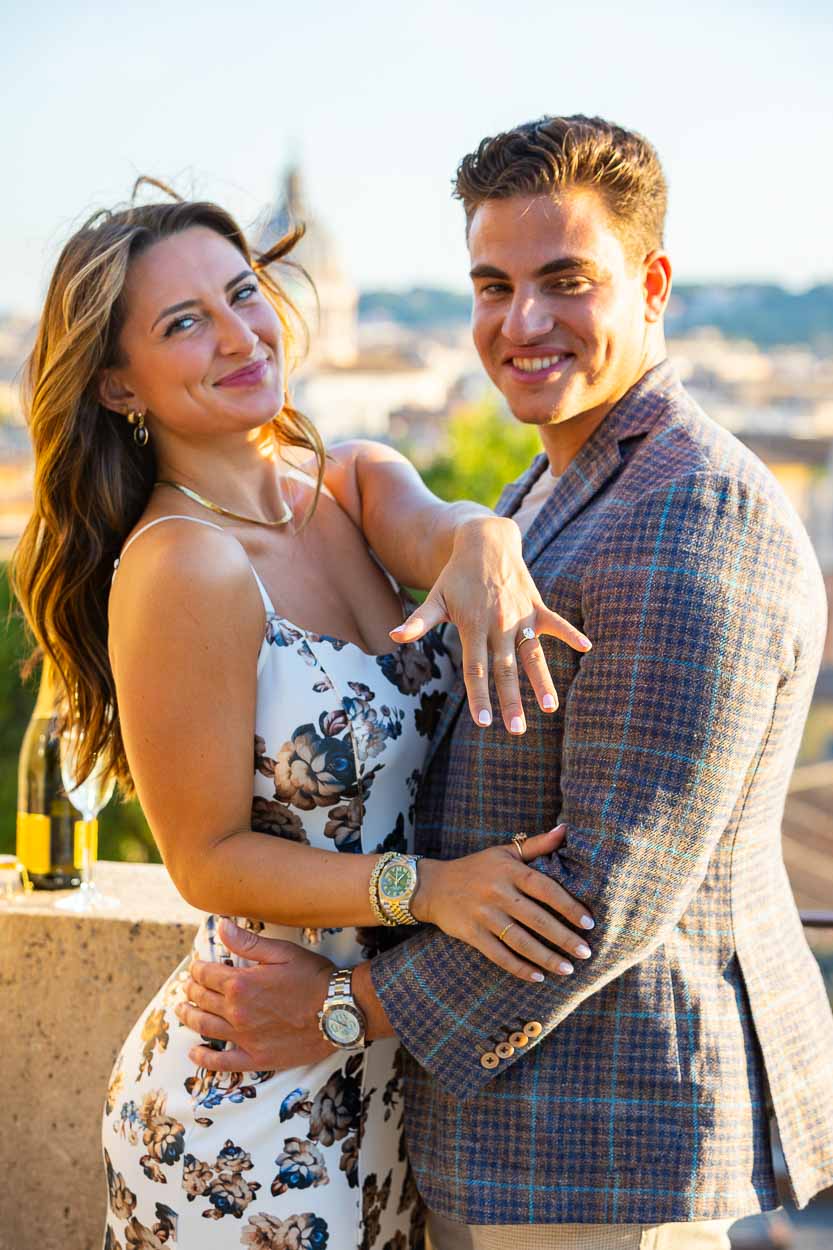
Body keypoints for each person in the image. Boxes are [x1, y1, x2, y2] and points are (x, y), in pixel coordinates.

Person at [185, 116, 833, 1249]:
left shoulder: (692, 512)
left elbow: (602, 890)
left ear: (653, 285)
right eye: (492, 284)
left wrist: (340, 1009)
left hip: (606, 1141)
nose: (520, 323)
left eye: (564, 281)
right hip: (529, 1133)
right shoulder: (556, 477)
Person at [10, 184, 599, 1250]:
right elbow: (202, 855)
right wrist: (431, 889)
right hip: (243, 1109)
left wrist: (485, 540)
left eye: (242, 293)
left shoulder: (351, 482)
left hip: (376, 1070)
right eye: (183, 323)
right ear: (116, 384)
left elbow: (445, 527)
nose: (240, 335)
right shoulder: (183, 562)